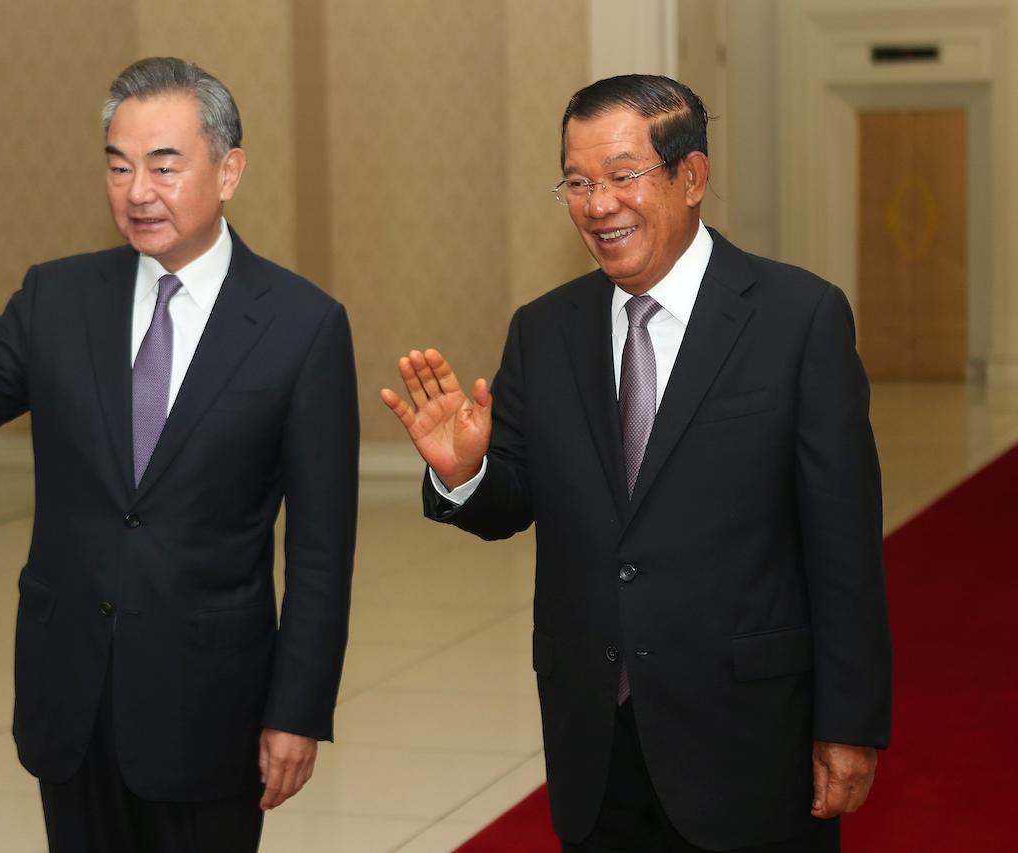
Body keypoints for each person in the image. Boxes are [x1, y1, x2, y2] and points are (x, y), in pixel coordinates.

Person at [0, 57, 359, 853]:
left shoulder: (303, 325)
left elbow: (324, 549)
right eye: (118, 166)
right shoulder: (57, 298)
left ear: (229, 171)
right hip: (71, 696)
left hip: (210, 703)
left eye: (163, 165)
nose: (136, 191)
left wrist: (297, 709)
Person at [381, 75, 891, 853]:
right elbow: (511, 499)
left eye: (623, 177)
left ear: (691, 178)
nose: (597, 204)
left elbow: (845, 546)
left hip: (747, 737)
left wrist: (850, 724)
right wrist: (466, 471)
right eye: (578, 183)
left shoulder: (798, 319)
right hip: (597, 732)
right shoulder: (544, 330)